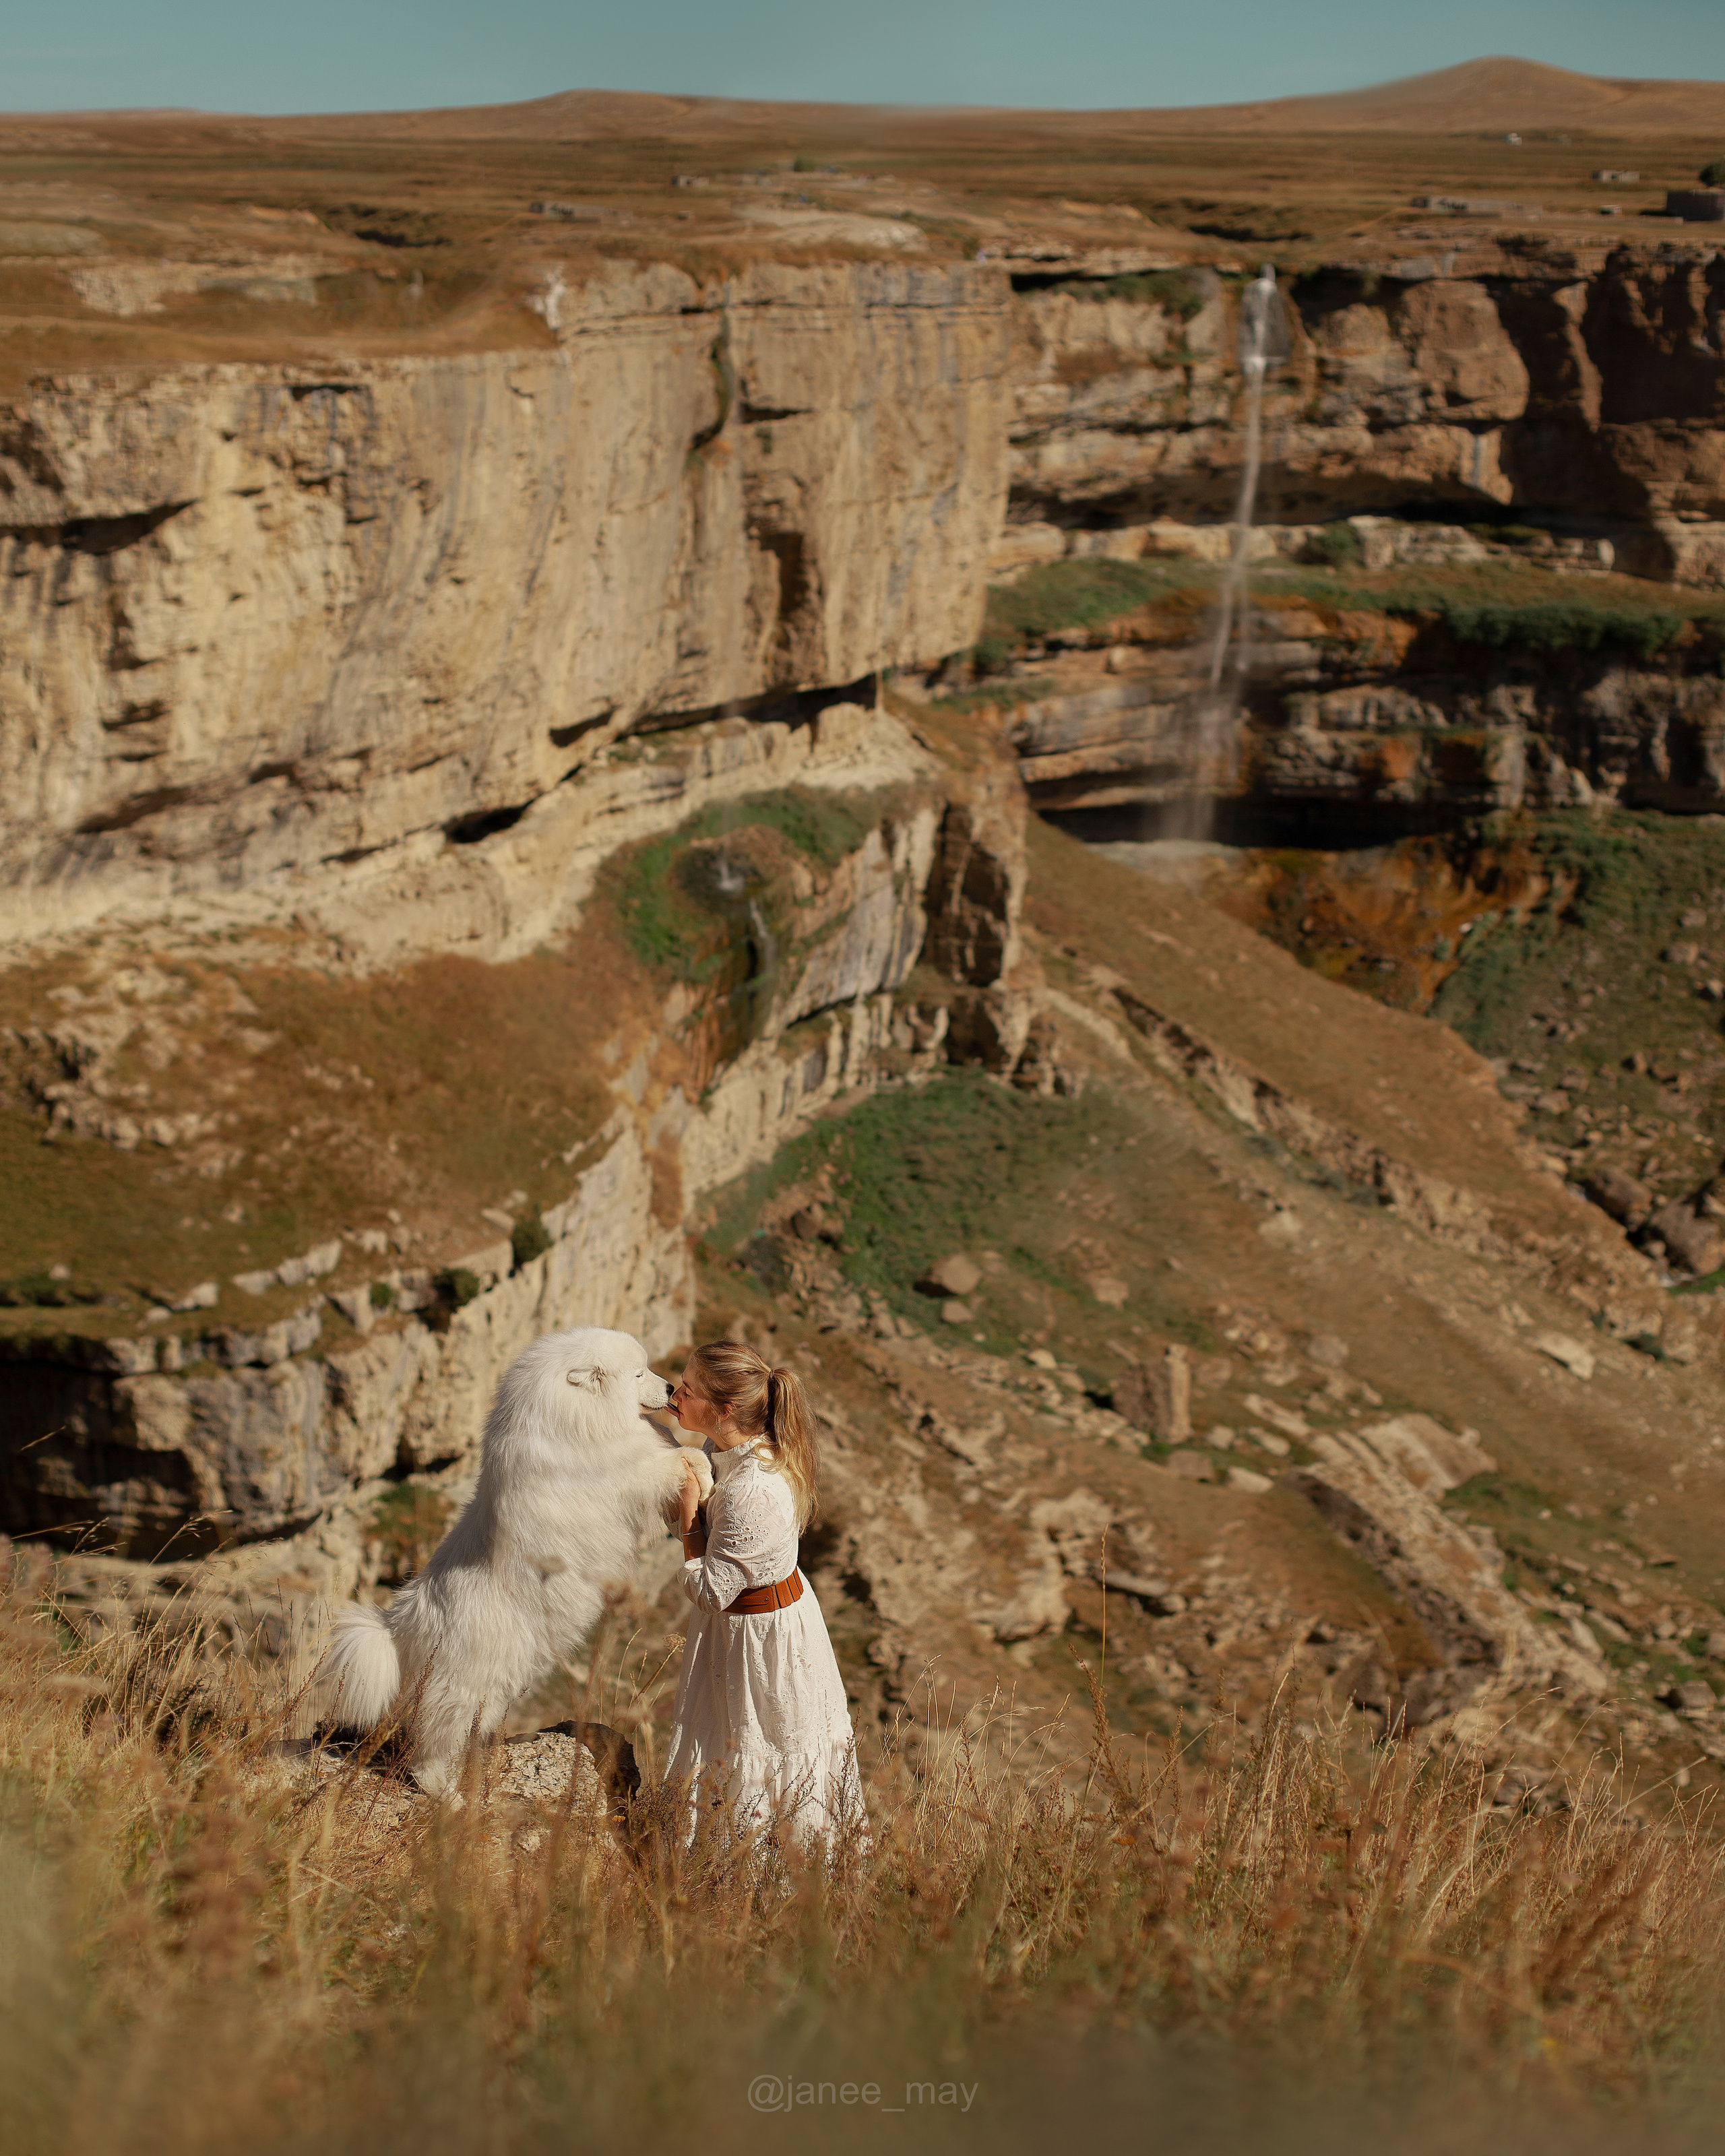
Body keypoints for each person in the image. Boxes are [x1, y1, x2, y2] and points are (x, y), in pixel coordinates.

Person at [664, 1340, 866, 1847]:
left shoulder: (755, 1490)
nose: (676, 1393)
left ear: (724, 1409)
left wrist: (691, 1520)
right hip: (739, 1628)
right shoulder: (722, 1450)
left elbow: (711, 1590)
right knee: (735, 1749)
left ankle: (769, 1878)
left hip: (762, 1639)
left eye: (688, 1389)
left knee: (767, 1750)